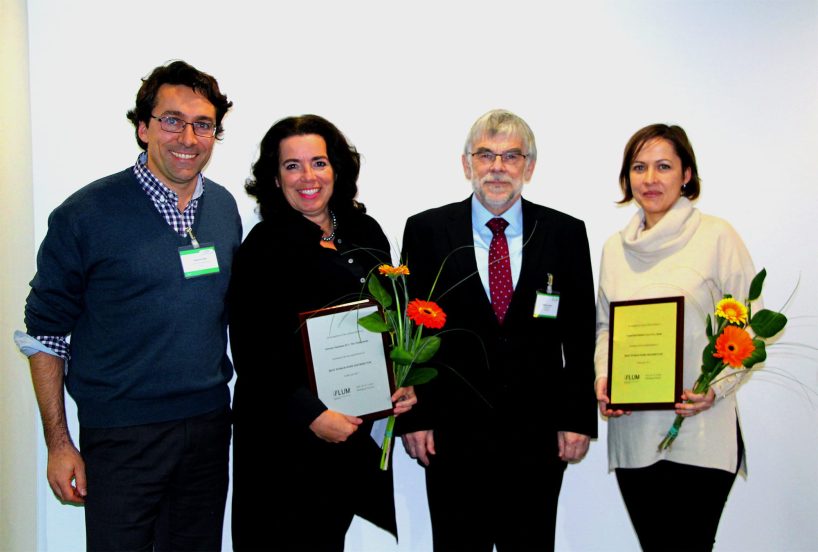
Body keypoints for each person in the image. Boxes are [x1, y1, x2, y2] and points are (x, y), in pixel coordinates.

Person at [15, 60, 240, 551]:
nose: (188, 136)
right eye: (171, 120)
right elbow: (45, 334)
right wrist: (59, 443)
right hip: (122, 435)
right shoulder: (85, 214)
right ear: (143, 128)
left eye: (203, 124)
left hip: (206, 426)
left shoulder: (224, 209)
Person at [398, 109, 597, 551]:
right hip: (451, 435)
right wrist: (416, 416)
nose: (497, 167)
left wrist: (577, 417)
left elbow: (581, 334)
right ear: (466, 163)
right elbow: (409, 333)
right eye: (485, 154)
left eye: (511, 156)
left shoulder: (565, 233)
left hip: (536, 436)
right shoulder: (427, 230)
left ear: (529, 167)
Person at [229, 114, 416, 551]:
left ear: (338, 170)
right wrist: (311, 414)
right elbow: (254, 351)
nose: (307, 177)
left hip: (345, 439)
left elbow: (389, 318)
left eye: (319, 162)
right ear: (274, 179)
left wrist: (399, 379)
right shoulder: (263, 246)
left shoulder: (365, 233)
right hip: (282, 443)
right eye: (292, 166)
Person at [594, 124, 757, 551]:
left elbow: (750, 328)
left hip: (702, 431)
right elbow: (605, 328)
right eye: (639, 167)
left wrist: (715, 390)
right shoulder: (614, 249)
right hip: (634, 436)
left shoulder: (718, 236)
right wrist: (603, 380)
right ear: (627, 177)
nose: (650, 179)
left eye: (664, 166)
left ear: (686, 174)